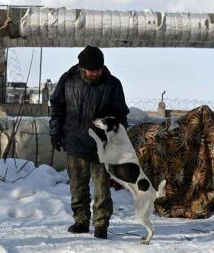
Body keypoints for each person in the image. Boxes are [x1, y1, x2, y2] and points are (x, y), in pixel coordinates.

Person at [49, 45, 129, 239]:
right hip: (75, 142)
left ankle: (101, 224)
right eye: (91, 70)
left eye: (98, 70)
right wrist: (55, 133)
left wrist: (115, 134)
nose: (95, 73)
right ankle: (81, 220)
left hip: (102, 146)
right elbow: (57, 109)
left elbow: (121, 115)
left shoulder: (113, 85)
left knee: (102, 188)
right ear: (81, 67)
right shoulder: (67, 81)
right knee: (77, 186)